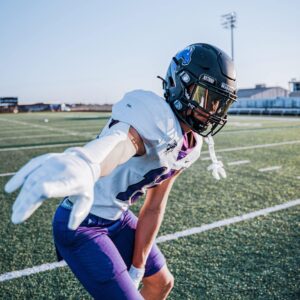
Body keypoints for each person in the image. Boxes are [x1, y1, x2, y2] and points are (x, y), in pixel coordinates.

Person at [5, 43, 237, 299]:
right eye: (205, 98)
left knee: (162, 283)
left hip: (117, 217)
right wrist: (89, 163)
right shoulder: (153, 114)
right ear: (180, 84)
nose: (211, 110)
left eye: (218, 103)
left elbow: (154, 207)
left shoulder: (192, 146)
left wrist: (138, 268)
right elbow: (123, 143)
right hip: (81, 222)